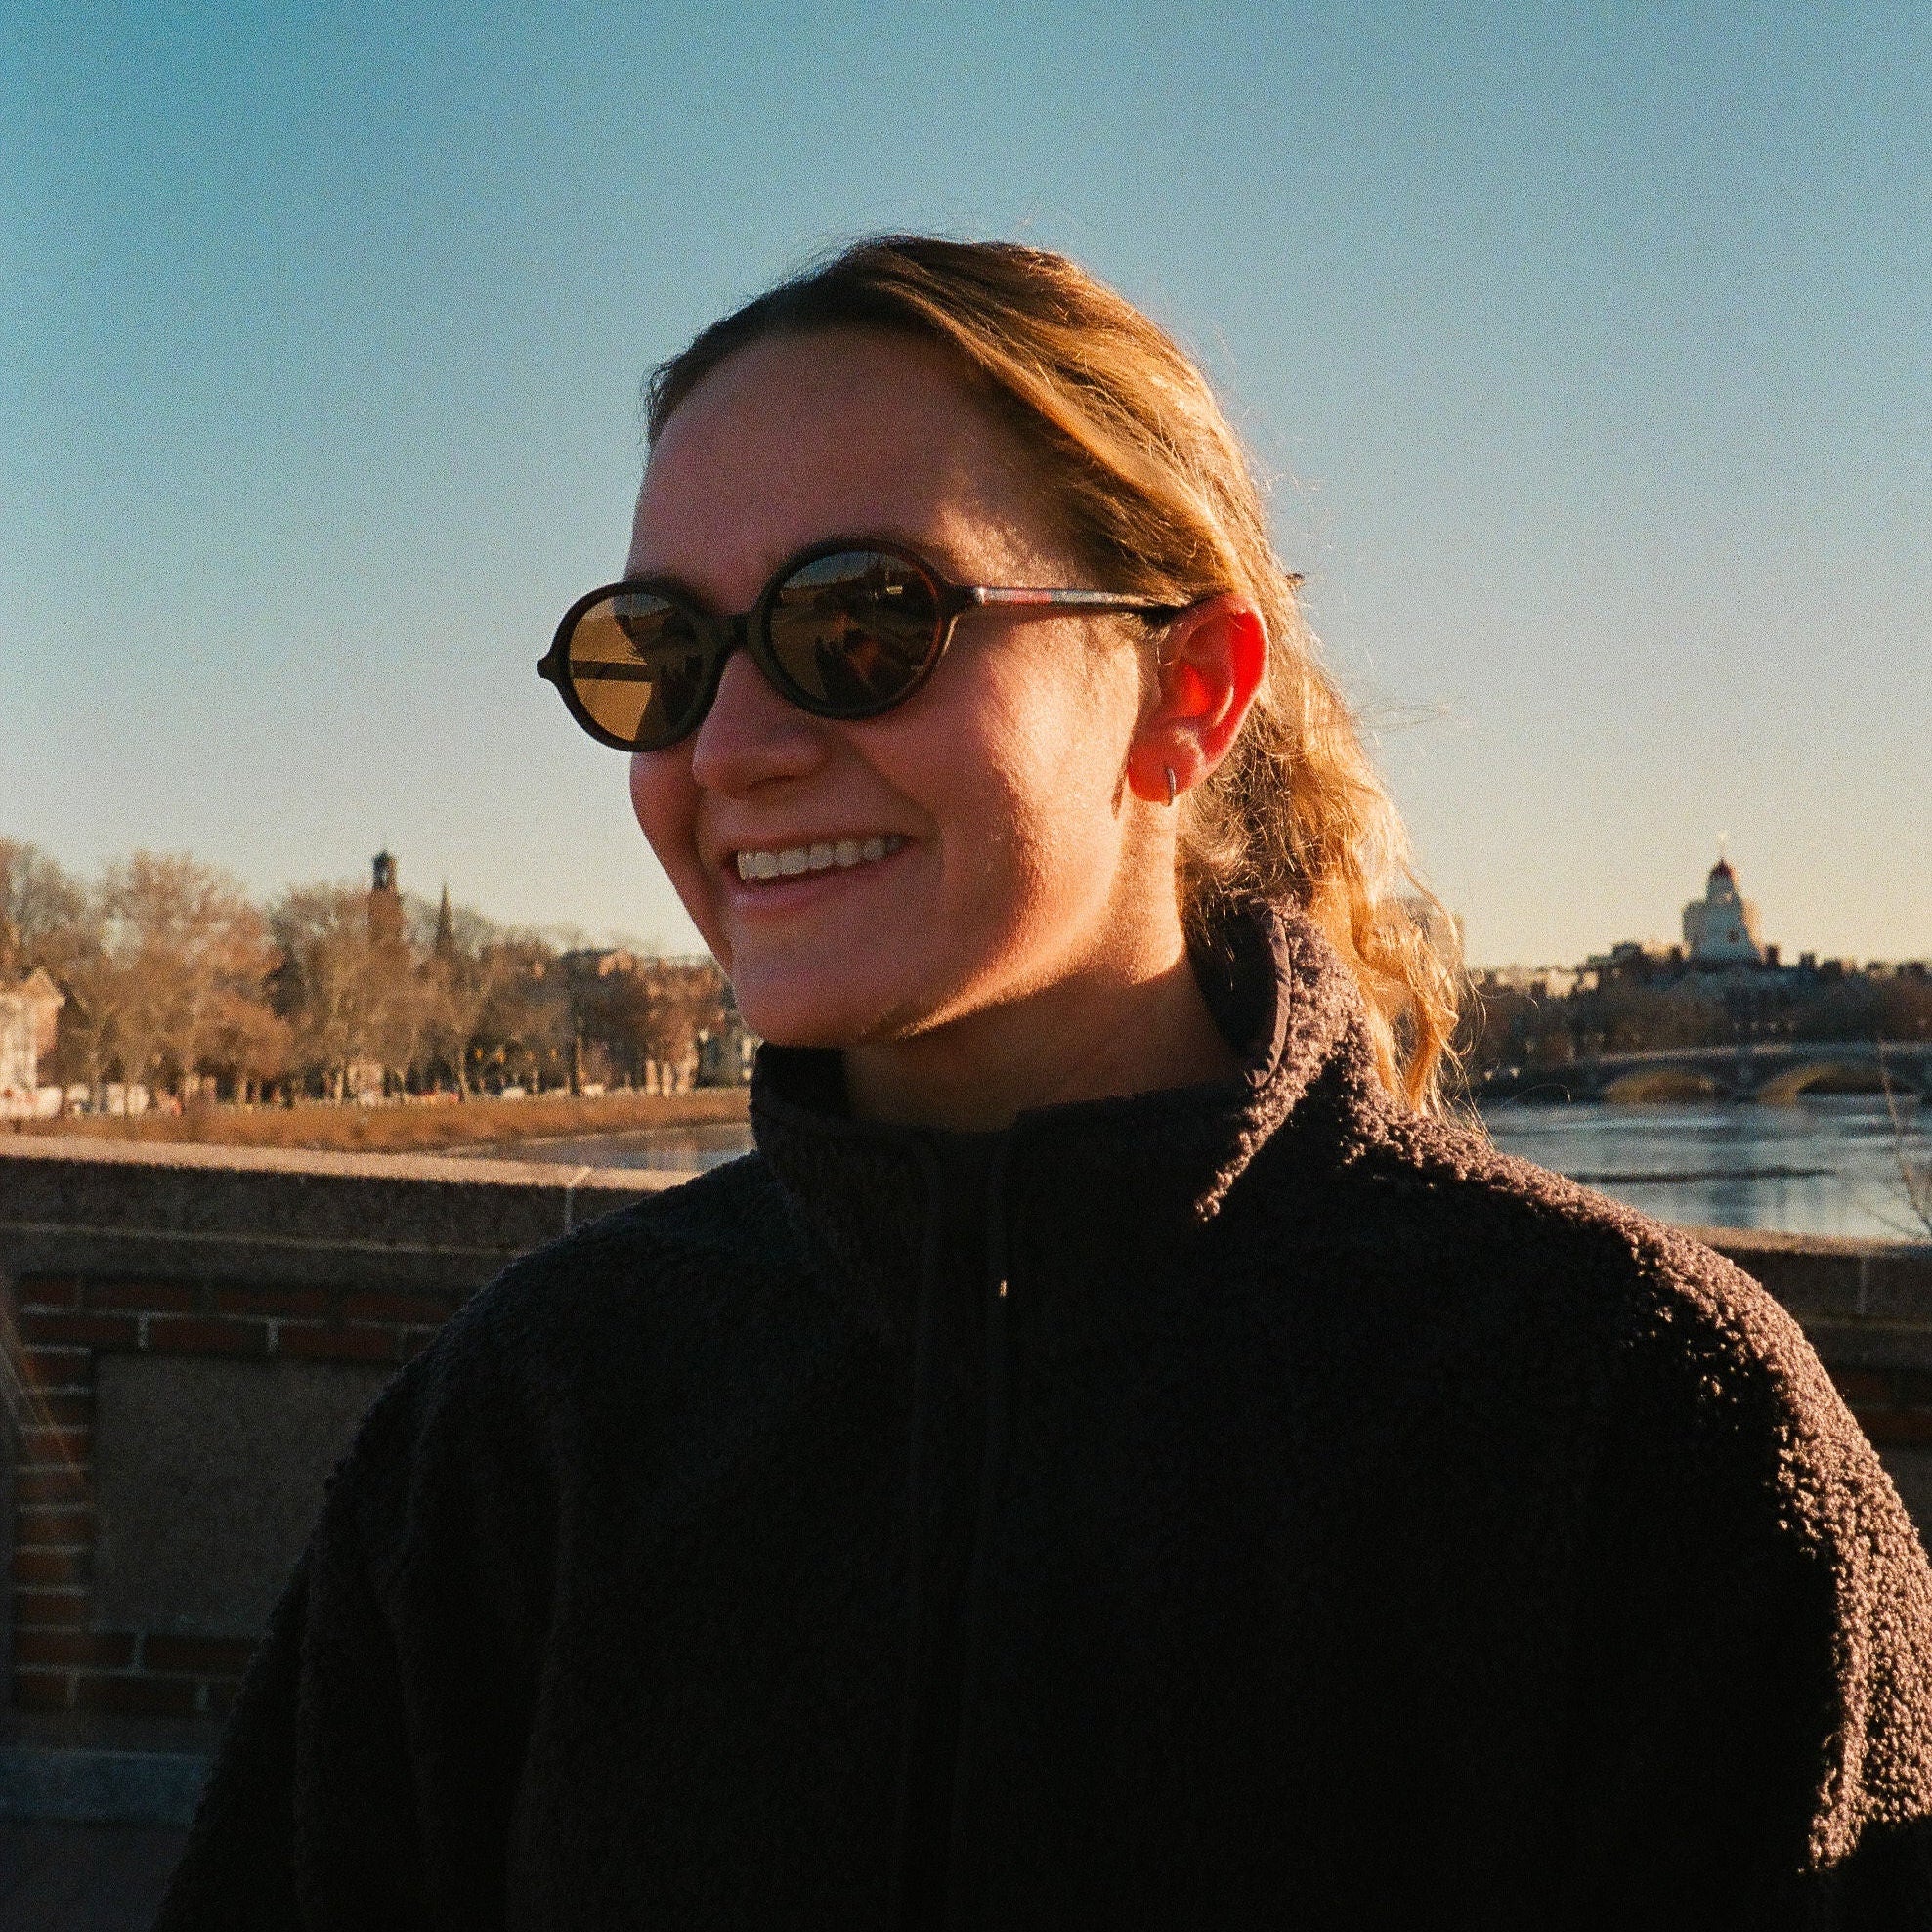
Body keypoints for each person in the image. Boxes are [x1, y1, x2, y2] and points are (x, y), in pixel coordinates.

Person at [157, 236, 1932, 1927]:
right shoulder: (528, 1422)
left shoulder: (1645, 1428)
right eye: (661, 655)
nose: (735, 748)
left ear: (1188, 691)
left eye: (863, 623)